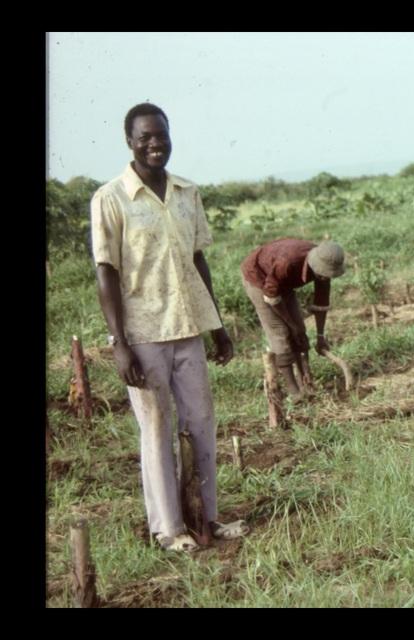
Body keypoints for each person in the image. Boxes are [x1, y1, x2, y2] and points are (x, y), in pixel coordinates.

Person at [91, 103, 248, 552]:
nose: (154, 144)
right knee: (156, 428)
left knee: (201, 422)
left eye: (160, 135)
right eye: (144, 137)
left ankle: (207, 517)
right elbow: (107, 273)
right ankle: (168, 529)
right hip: (143, 334)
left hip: (188, 327)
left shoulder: (186, 192)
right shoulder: (111, 198)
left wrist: (216, 324)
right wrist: (118, 344)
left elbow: (198, 259)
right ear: (130, 142)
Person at [240, 238, 346, 398]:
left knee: (300, 330)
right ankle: (294, 391)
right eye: (322, 273)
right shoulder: (287, 263)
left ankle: (306, 381)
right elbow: (272, 295)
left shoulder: (325, 266)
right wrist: (292, 326)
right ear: (314, 263)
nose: (325, 277)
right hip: (259, 279)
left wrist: (320, 336)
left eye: (328, 274)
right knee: (281, 332)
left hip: (282, 282)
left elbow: (321, 303)